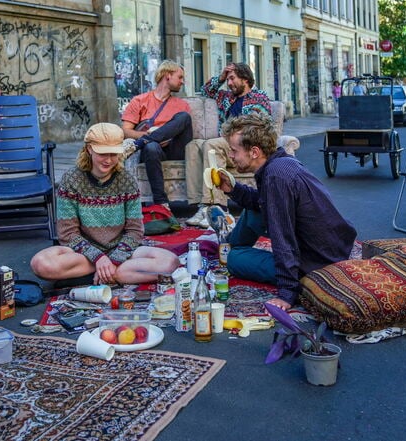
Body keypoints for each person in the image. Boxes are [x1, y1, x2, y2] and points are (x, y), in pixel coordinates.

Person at [213, 113, 357, 311]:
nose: (231, 156)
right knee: (253, 211)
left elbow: (283, 235)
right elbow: (262, 202)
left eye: (234, 151)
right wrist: (233, 189)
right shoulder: (278, 163)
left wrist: (287, 292)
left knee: (234, 259)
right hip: (331, 245)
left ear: (254, 152)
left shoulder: (275, 177)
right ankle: (228, 244)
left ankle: (231, 251)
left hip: (316, 261)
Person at [31, 122, 179, 285]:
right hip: (83, 254)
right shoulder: (71, 179)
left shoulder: (127, 180)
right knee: (41, 263)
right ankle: (118, 275)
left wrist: (114, 259)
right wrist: (99, 258)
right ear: (89, 149)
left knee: (170, 262)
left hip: (122, 251)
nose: (108, 160)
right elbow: (67, 233)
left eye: (114, 154)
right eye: (103, 153)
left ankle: (108, 273)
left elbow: (135, 231)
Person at [185, 62, 272, 227]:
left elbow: (261, 125)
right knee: (193, 145)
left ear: (245, 79)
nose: (229, 83)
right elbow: (206, 91)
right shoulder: (226, 97)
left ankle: (217, 206)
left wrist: (238, 135)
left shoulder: (259, 96)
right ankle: (201, 206)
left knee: (211, 144)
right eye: (228, 80)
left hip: (245, 147)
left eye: (232, 79)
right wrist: (222, 76)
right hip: (225, 144)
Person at [121, 60, 193, 207]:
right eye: (180, 77)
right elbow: (125, 131)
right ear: (167, 76)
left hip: (175, 148)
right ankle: (161, 202)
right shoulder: (139, 101)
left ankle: (145, 141)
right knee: (151, 147)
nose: (182, 82)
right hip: (152, 151)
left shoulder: (182, 105)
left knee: (184, 117)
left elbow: (183, 130)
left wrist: (157, 137)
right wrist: (145, 136)